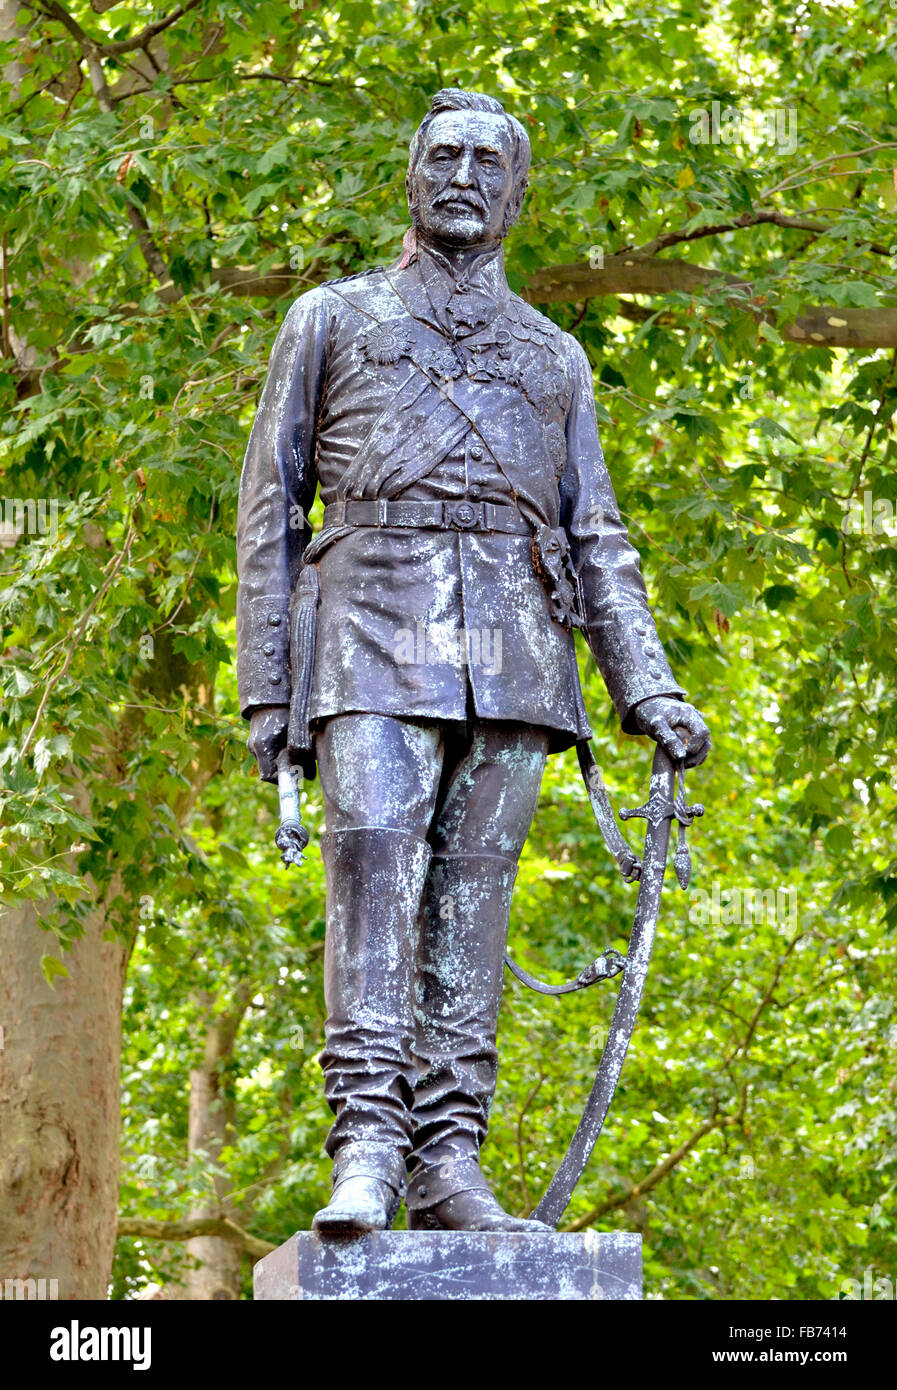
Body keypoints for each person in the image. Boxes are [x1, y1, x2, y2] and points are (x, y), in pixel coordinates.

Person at [236, 88, 710, 1236]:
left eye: (484, 162)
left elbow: (597, 533)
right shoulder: (331, 317)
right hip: (363, 637)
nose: (460, 175)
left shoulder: (556, 358)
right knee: (374, 890)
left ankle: (450, 1160)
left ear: (515, 193)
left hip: (514, 656)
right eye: (440, 154)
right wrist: (267, 691)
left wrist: (645, 682)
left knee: (472, 912)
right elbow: (268, 506)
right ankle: (365, 1148)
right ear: (411, 178)